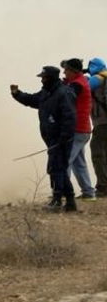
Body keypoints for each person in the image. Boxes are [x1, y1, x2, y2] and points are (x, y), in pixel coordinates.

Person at [11, 66, 77, 212]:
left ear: (51, 78)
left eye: (44, 77)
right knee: (58, 168)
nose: (42, 80)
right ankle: (70, 201)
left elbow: (70, 117)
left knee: (56, 168)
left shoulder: (63, 93)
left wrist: (64, 138)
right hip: (51, 138)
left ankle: (57, 200)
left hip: (61, 139)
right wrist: (17, 94)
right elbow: (32, 100)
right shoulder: (46, 92)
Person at [61, 58, 96, 200]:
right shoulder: (80, 82)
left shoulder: (77, 84)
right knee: (79, 162)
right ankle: (88, 192)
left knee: (65, 160)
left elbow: (65, 97)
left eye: (66, 70)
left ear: (73, 71)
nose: (64, 72)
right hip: (83, 129)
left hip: (77, 129)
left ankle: (62, 193)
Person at [86, 57, 107, 197]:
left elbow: (82, 87)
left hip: (102, 122)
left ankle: (102, 187)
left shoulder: (97, 79)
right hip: (103, 122)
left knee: (97, 153)